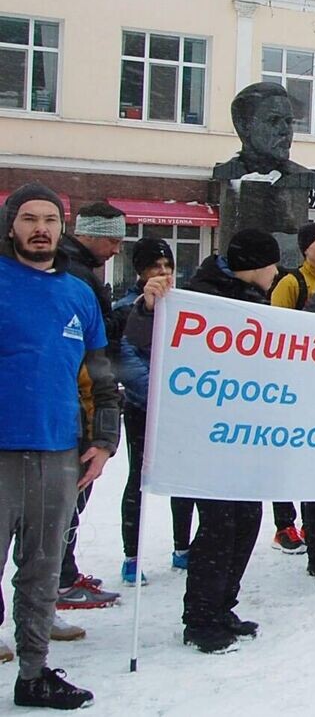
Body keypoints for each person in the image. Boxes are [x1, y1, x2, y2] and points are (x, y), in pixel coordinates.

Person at [127, 229, 279, 653]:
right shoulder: (200, 295)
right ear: (255, 266)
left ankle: (222, 605)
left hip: (248, 430)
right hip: (211, 434)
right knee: (219, 525)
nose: (277, 272)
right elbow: (141, 336)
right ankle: (200, 616)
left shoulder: (251, 296)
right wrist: (148, 306)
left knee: (247, 519)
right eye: (272, 264)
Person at [0, 184, 119, 708]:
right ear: (12, 226)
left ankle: (33, 672)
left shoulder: (78, 293)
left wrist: (104, 439)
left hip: (57, 453)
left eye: (50, 219)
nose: (40, 228)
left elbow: (99, 373)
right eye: (29, 218)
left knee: (42, 570)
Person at [55, 202, 126, 613]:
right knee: (67, 502)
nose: (117, 249)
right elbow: (95, 344)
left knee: (66, 503)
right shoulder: (76, 274)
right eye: (113, 239)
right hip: (76, 404)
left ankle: (60, 578)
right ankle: (61, 582)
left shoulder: (79, 269)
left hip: (79, 401)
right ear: (91, 234)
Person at [113, 238, 195, 586]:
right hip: (142, 407)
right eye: (155, 267)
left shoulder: (185, 305)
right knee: (139, 479)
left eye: (167, 267)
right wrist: (159, 396)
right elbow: (126, 361)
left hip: (179, 408)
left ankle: (182, 546)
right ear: (140, 271)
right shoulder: (125, 308)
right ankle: (131, 556)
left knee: (184, 478)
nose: (163, 273)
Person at [268, 222, 315, 555]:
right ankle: (284, 525)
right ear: (305, 247)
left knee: (313, 453)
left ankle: (312, 519)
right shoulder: (291, 282)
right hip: (292, 379)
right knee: (286, 454)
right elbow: (279, 329)